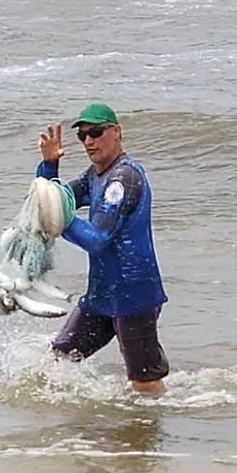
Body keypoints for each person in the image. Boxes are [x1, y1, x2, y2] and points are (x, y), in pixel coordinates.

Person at [35, 102, 170, 395]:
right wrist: (49, 165)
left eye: (95, 132)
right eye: (82, 135)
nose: (88, 141)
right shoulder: (94, 176)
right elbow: (50, 200)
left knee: (144, 383)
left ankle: (151, 433)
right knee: (57, 359)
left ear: (117, 133)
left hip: (134, 296)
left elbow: (96, 239)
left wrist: (61, 221)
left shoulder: (123, 179)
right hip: (102, 295)